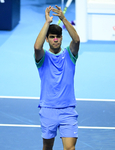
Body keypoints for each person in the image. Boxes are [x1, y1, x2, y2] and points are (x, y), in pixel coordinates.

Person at [34, 5, 80, 150]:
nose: (55, 40)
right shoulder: (42, 57)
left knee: (70, 148)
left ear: (61, 38)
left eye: (58, 37)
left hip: (68, 110)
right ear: (47, 39)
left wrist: (63, 18)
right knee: (47, 147)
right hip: (48, 109)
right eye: (52, 37)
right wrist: (47, 22)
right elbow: (36, 47)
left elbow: (77, 40)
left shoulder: (70, 55)